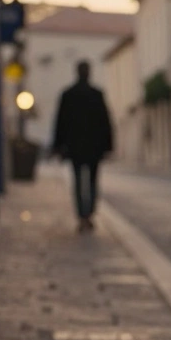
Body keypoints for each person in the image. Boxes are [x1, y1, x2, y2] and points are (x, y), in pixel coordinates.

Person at [52, 61, 114, 232]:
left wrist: (58, 146)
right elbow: (105, 122)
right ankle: (89, 214)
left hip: (75, 147)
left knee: (79, 181)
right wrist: (108, 146)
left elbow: (60, 123)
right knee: (93, 182)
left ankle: (82, 215)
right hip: (93, 148)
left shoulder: (68, 95)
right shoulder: (96, 94)